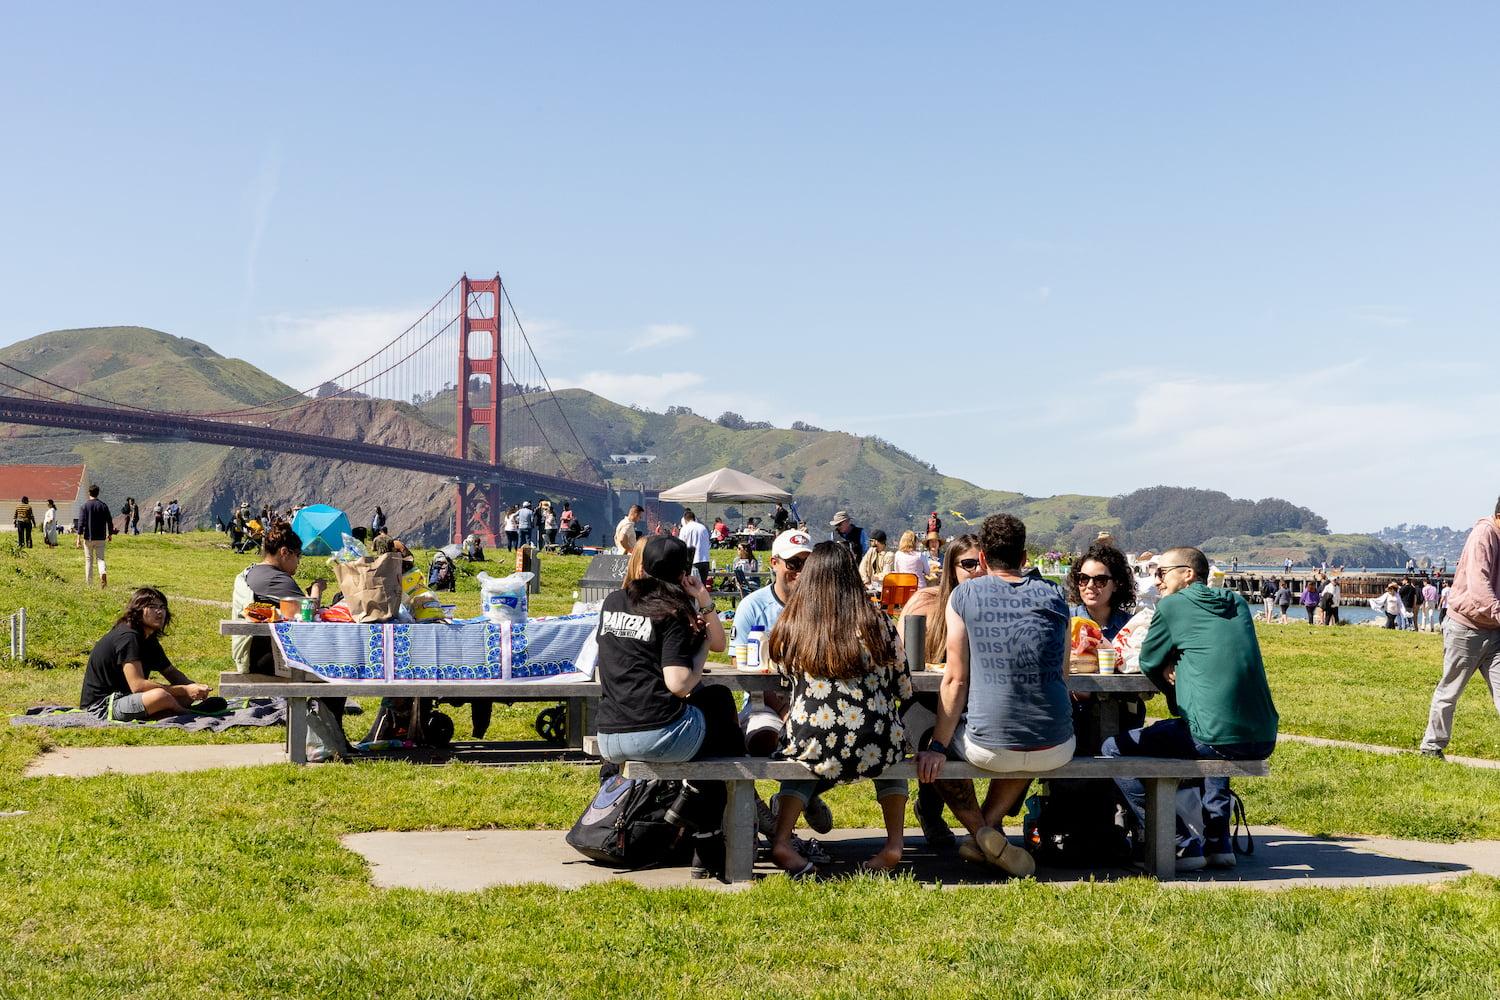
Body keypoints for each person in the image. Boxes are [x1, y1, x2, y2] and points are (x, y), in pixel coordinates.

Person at [916, 514, 1073, 878]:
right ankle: (988, 835)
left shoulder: (965, 594)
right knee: (1023, 734)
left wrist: (938, 745)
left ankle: (980, 832)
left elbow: (955, 678)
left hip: (992, 748)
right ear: (1024, 558)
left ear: (983, 559)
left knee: (929, 748)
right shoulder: (1054, 595)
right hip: (1057, 745)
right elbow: (1063, 674)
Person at [1101, 547, 1278, 870]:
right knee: (1208, 739)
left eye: (1162, 572)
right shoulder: (1236, 603)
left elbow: (1149, 661)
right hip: (1263, 735)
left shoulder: (1172, 607)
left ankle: (1180, 843)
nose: (1157, 581)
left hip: (1215, 735)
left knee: (1113, 749)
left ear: (1188, 573)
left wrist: (1168, 664)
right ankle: (1217, 840)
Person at [593, 536, 743, 876]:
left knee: (713, 733)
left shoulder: (613, 601)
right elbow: (678, 683)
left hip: (609, 736)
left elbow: (717, 642)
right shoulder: (671, 611)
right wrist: (701, 616)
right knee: (718, 705)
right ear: (682, 573)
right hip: (652, 735)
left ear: (643, 566)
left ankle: (705, 825)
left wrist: (701, 603)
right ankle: (710, 838)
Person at [764, 542, 913, 876]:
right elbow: (903, 687)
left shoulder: (793, 624)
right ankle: (893, 846)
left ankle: (782, 842)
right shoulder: (877, 622)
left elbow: (782, 677)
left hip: (814, 740)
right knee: (894, 747)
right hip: (875, 740)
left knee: (801, 749)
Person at [897, 532, 982, 847]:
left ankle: (990, 823)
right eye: (968, 563)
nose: (977, 571)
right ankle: (978, 831)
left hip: (973, 705)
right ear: (951, 568)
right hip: (921, 701)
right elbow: (900, 661)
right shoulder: (926, 602)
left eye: (982, 563)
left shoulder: (993, 608)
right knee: (934, 745)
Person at [1419, 499, 1500, 760]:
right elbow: (1479, 588)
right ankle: (1432, 746)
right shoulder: (1483, 535)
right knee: (1450, 689)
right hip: (1466, 629)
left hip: (1495, 630)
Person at [81, 588, 221, 720]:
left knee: (185, 695)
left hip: (130, 698)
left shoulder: (149, 638)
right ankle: (186, 713)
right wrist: (184, 690)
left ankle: (166, 711)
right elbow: (138, 686)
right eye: (153, 607)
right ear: (137, 610)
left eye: (162, 607)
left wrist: (196, 688)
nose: (159, 612)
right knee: (161, 696)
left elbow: (171, 672)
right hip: (104, 706)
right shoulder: (128, 637)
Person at [230, 522, 327, 677]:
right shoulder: (276, 578)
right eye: (298, 555)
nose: (298, 562)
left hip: (253, 654)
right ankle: (321, 703)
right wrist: (317, 588)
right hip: (269, 659)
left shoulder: (253, 571)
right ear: (284, 552)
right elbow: (308, 610)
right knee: (339, 657)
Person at [1066, 542, 1137, 641]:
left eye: (1100, 580)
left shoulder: (1132, 626)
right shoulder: (1065, 622)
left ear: (1116, 584)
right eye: (1084, 578)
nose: (1090, 585)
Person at [79, 484, 113, 588]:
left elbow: (81, 523)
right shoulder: (103, 505)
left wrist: (78, 538)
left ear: (89, 493)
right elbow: (109, 521)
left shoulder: (84, 506)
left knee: (89, 559)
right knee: (100, 559)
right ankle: (102, 572)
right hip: (100, 537)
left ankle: (89, 584)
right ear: (98, 493)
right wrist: (110, 533)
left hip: (88, 537)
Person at [677, 509, 711, 585]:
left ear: (685, 520)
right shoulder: (703, 527)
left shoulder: (684, 529)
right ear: (694, 518)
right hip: (705, 560)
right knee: (702, 586)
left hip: (692, 561)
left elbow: (681, 546)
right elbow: (708, 543)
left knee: (692, 587)